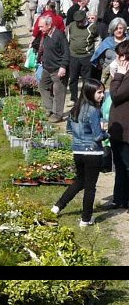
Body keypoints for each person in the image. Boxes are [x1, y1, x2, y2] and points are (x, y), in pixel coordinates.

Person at [51, 79, 107, 226]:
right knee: (90, 187)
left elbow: (69, 130)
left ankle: (57, 207)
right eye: (99, 92)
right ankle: (86, 219)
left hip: (77, 150)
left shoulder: (75, 108)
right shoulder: (94, 111)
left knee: (79, 181)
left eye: (103, 92)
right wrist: (107, 133)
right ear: (90, 92)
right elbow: (97, 136)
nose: (102, 95)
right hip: (93, 152)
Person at [107, 40, 129, 209]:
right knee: (120, 166)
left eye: (119, 56)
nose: (116, 59)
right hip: (119, 127)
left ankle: (124, 199)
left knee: (126, 165)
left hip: (126, 129)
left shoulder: (126, 76)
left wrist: (119, 75)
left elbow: (115, 95)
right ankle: (119, 198)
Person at [38, 15, 70, 122]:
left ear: (49, 25)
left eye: (41, 26)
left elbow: (66, 52)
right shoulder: (46, 35)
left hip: (58, 69)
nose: (40, 29)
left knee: (58, 92)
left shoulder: (59, 35)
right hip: (47, 68)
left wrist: (63, 67)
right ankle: (49, 108)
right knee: (42, 86)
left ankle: (57, 114)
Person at [67, 10, 97, 102]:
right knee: (73, 78)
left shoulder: (93, 27)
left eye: (81, 21)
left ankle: (84, 98)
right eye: (77, 21)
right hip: (73, 56)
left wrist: (94, 54)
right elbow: (68, 38)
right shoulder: (72, 25)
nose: (79, 23)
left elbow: (97, 40)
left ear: (85, 18)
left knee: (86, 79)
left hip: (86, 56)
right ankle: (74, 98)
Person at [91, 17, 128, 83]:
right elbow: (100, 56)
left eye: (120, 28)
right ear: (112, 30)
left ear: (124, 28)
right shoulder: (107, 41)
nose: (118, 30)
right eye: (116, 28)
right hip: (108, 75)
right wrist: (104, 67)